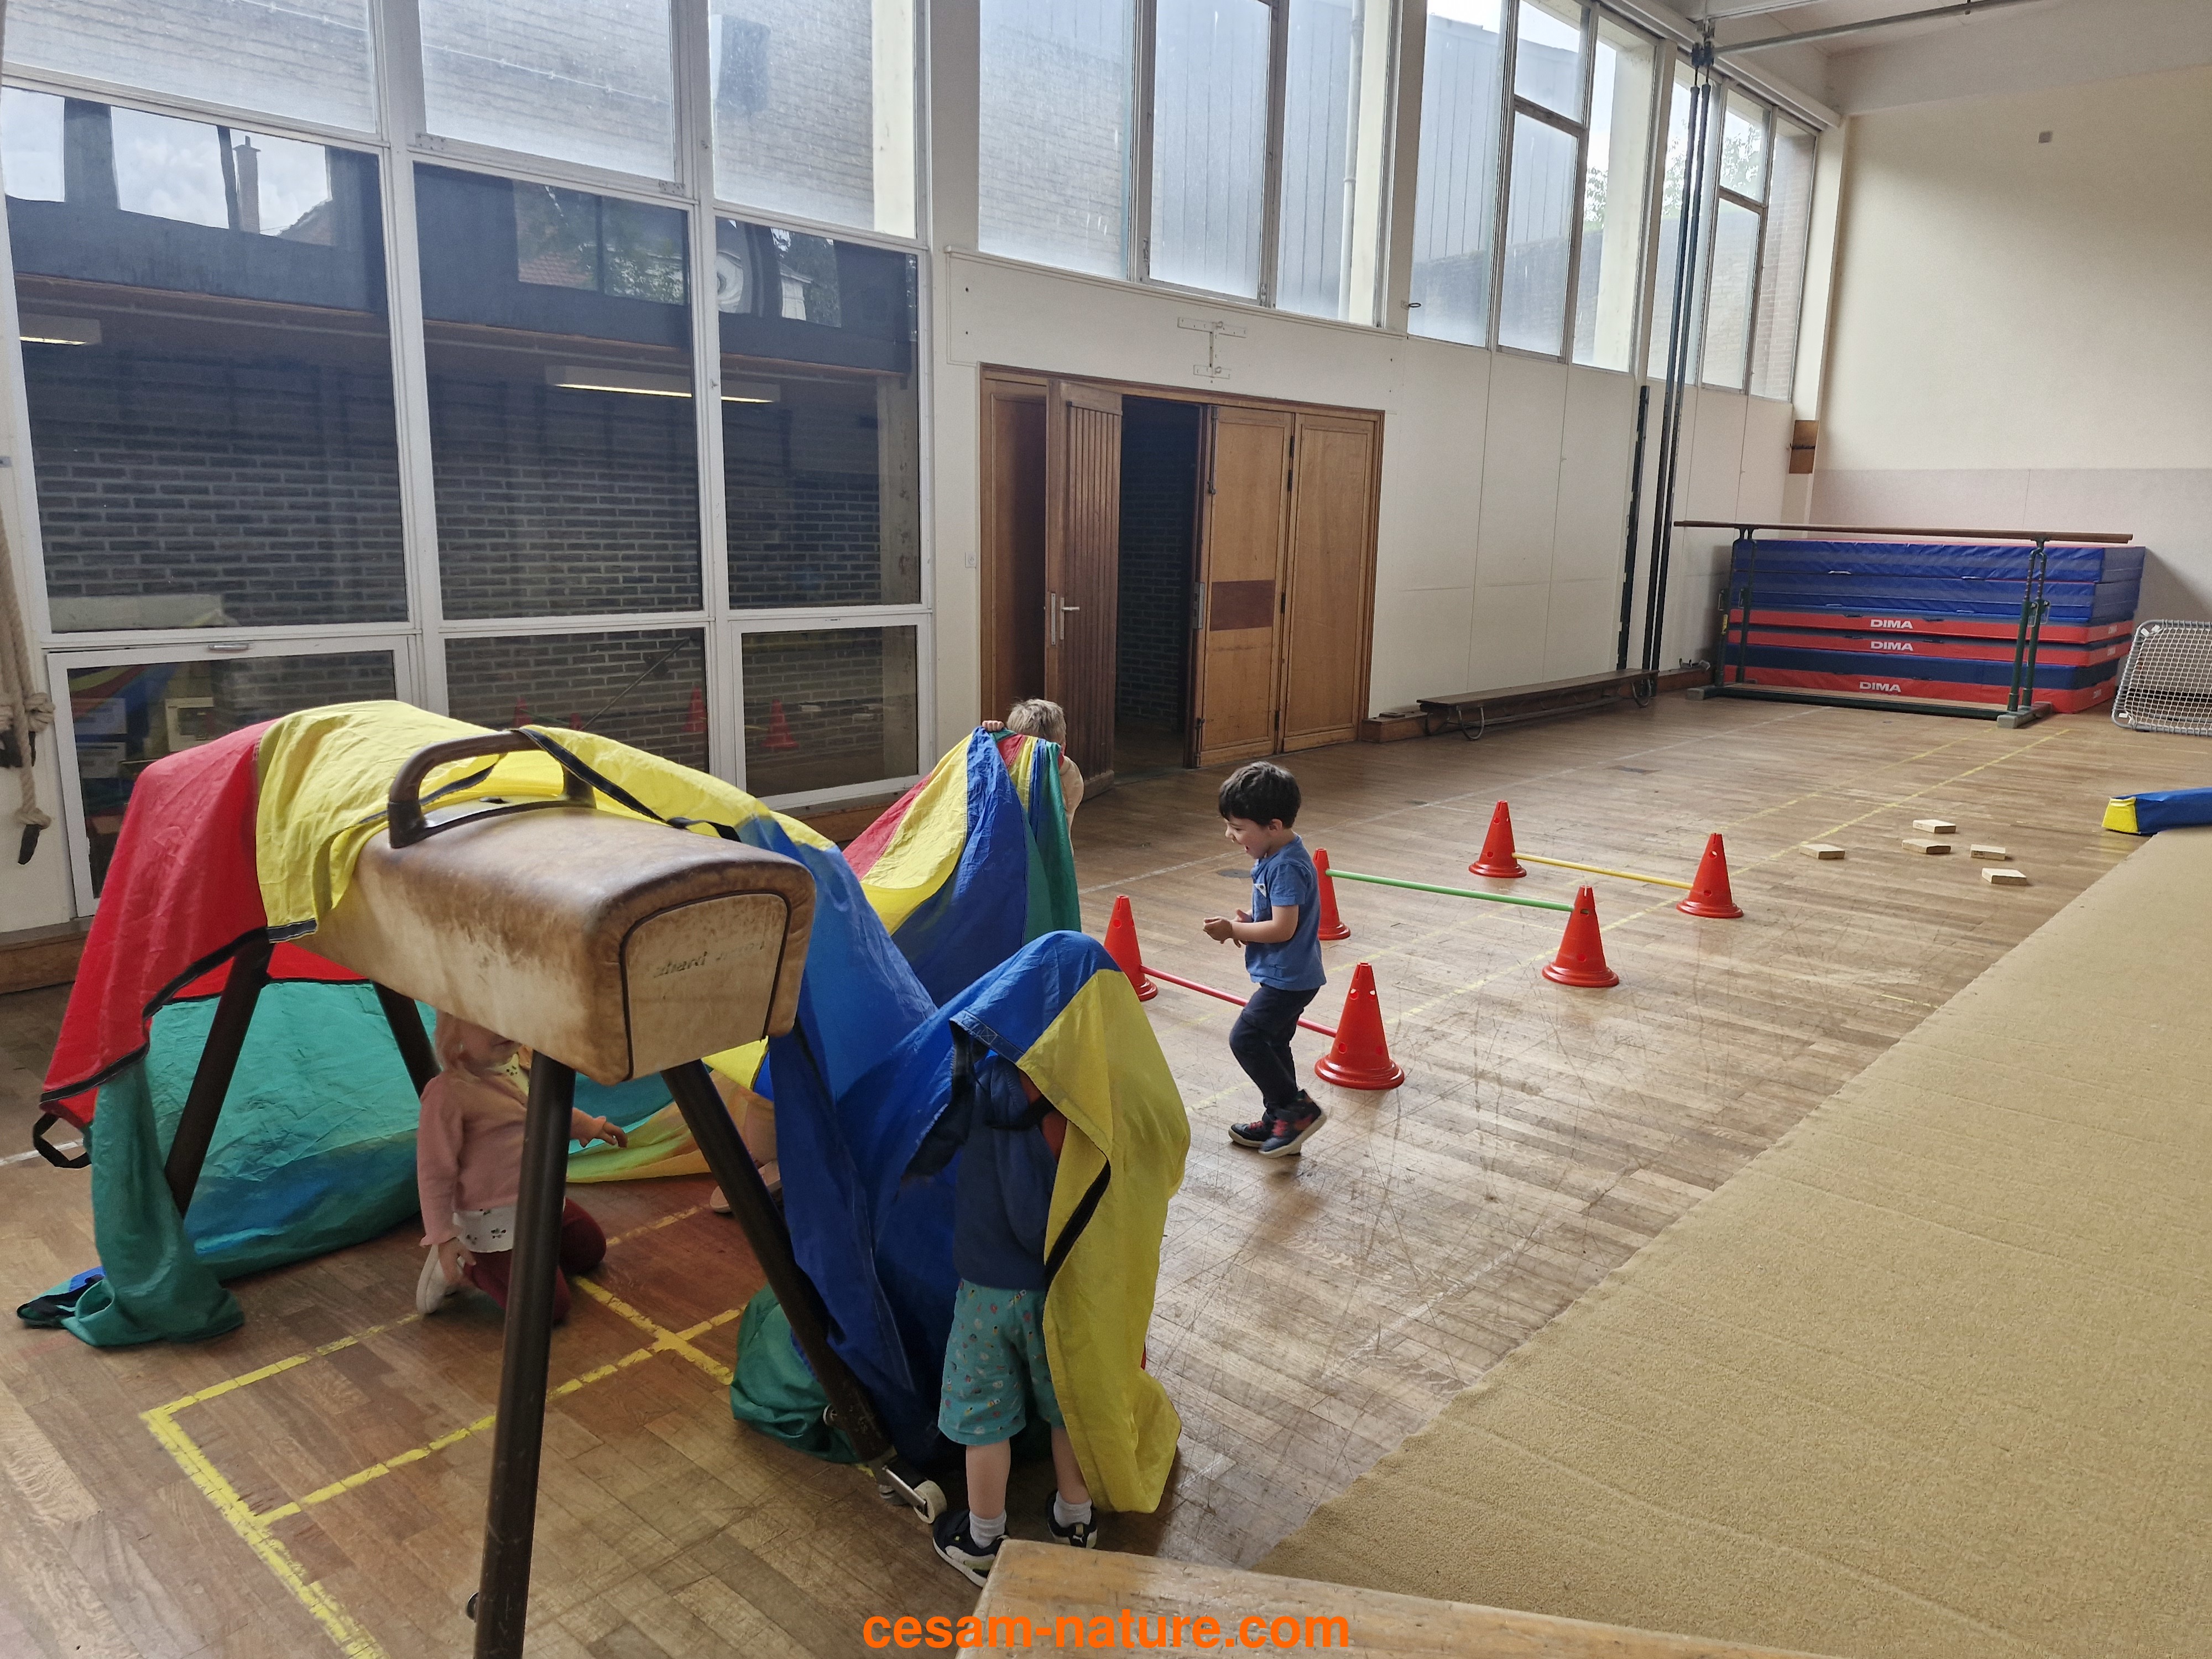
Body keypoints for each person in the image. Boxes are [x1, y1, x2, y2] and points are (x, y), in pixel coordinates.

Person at [908, 1043, 1096, 1583]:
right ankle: (1076, 1518)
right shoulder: (1089, 1088)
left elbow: (928, 1145)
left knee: (984, 1418)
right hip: (1062, 1290)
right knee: (1067, 1408)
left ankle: (984, 1539)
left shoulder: (983, 1081)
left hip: (985, 1296)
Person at [414, 1014, 629, 1319]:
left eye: (509, 1015)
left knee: (589, 1250)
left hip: (542, 1200)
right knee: (548, 1309)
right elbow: (434, 1172)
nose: (502, 1028)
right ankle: (468, 1265)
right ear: (455, 1028)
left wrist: (587, 1126)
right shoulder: (449, 1093)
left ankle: (529, 1264)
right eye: (485, 1021)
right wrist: (444, 1236)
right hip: (494, 1220)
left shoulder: (526, 1064)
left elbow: (547, 1109)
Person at [1203, 761, 1328, 1156]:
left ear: (1273, 826)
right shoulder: (1276, 855)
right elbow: (1278, 920)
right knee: (1273, 1043)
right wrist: (1250, 922)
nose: (1229, 835)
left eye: (1238, 828)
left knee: (1247, 1038)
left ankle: (1297, 1113)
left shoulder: (1286, 865)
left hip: (1288, 979)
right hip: (1289, 974)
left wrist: (1234, 930)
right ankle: (1281, 1120)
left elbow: (1283, 929)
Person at [982, 698, 1084, 828]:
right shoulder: (1012, 767)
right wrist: (993, 739)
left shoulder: (1069, 776)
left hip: (1045, 841)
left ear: (1062, 749)